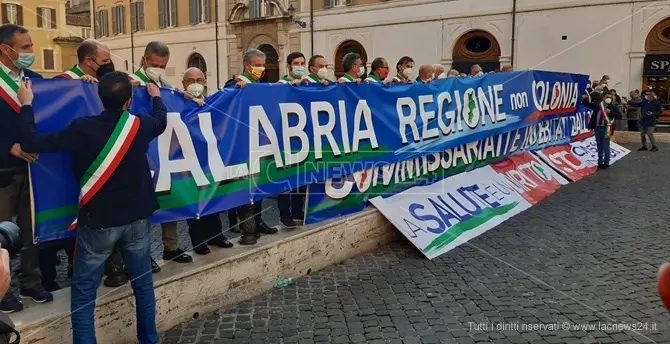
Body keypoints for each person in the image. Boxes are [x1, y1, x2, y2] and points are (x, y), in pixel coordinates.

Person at [15, 72, 163, 343]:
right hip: (137, 218)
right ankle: (149, 339)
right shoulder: (141, 125)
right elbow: (161, 122)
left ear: (99, 98)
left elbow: (31, 142)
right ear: (129, 101)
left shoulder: (81, 127)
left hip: (99, 221)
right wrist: (156, 98)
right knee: (143, 285)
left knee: (84, 294)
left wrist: (26, 104)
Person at [106, 41, 191, 289]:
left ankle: (171, 246)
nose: (158, 69)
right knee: (142, 208)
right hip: (140, 152)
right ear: (144, 61)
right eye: (154, 65)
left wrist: (183, 96)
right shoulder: (130, 82)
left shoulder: (165, 85)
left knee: (169, 197)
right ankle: (141, 257)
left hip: (166, 150)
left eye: (163, 66)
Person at [41, 39, 117, 292]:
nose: (109, 65)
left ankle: (86, 270)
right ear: (89, 61)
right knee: (59, 216)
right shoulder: (62, 82)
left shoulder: (103, 83)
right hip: (60, 161)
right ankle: (48, 278)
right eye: (105, 61)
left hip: (95, 162)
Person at [0, 24, 52, 313]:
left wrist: (89, 84)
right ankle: (2, 289)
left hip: (34, 171)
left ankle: (31, 279)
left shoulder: (35, 79)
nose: (31, 52)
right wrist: (9, 145)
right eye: (26, 47)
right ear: (6, 50)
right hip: (3, 171)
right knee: (2, 233)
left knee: (32, 230)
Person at [225, 48, 278, 245]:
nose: (261, 68)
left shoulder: (259, 86)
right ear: (247, 65)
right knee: (245, 188)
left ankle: (259, 220)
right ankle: (247, 228)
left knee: (260, 186)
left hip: (260, 144)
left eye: (262, 65)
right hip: (242, 147)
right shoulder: (235, 84)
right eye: (257, 65)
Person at [181, 67, 234, 253]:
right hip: (189, 161)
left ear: (205, 82)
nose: (195, 83)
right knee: (195, 202)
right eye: (190, 80)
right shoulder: (178, 102)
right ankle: (198, 241)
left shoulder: (213, 101)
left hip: (212, 159)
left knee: (214, 199)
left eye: (199, 79)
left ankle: (216, 235)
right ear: (184, 84)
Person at [584, 91, 622, 169]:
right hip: (598, 128)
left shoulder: (613, 107)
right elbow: (592, 111)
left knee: (605, 146)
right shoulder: (599, 106)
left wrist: (610, 112)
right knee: (599, 146)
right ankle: (600, 162)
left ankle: (606, 162)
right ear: (603, 97)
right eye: (607, 97)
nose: (608, 99)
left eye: (610, 97)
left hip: (607, 128)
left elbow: (619, 116)